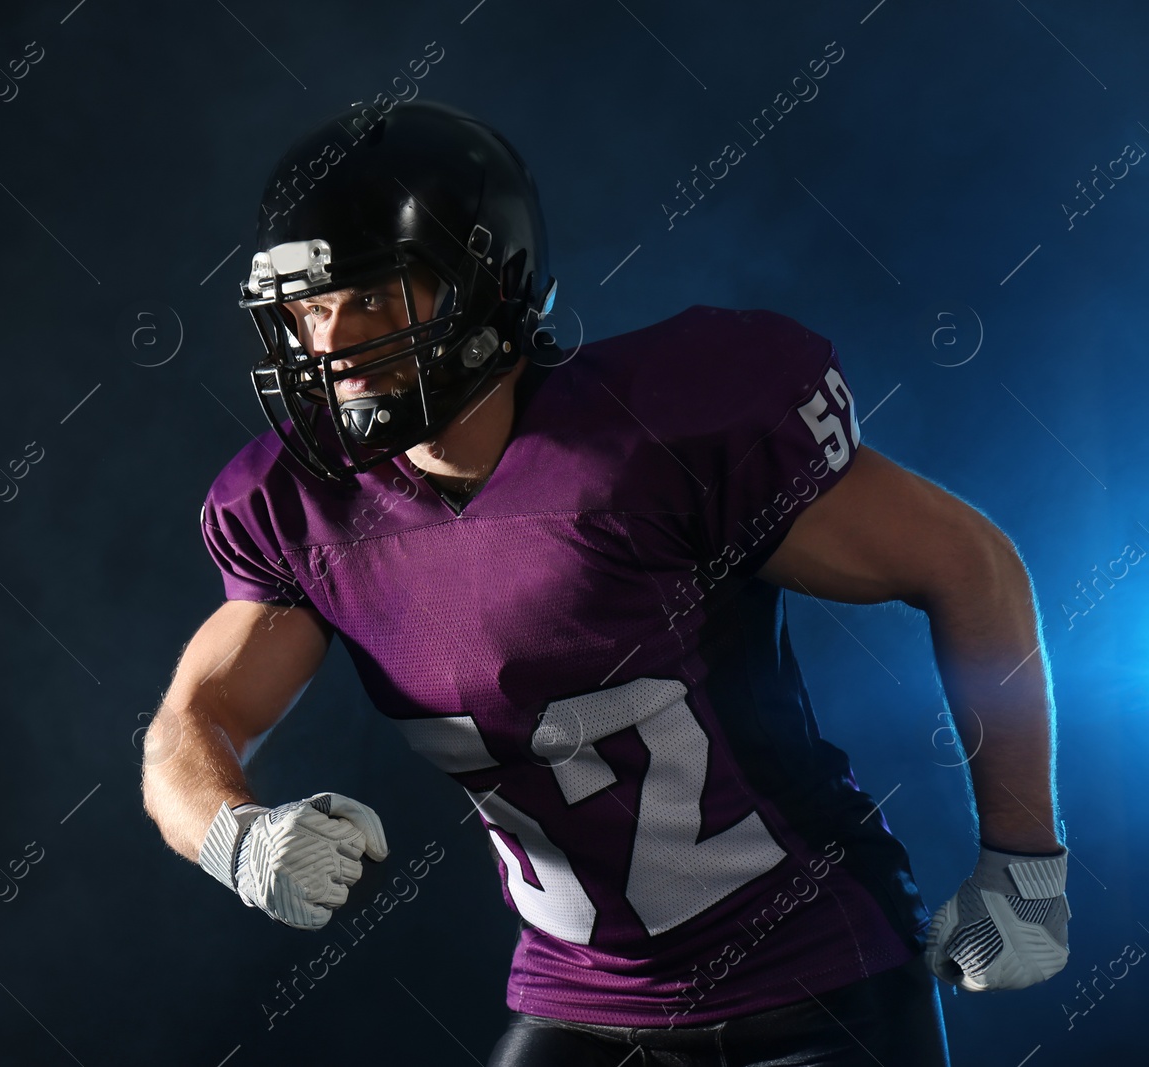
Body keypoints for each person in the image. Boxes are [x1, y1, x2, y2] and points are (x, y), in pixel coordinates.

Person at [140, 101, 1069, 1066]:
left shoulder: (657, 432)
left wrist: (1025, 859)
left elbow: (969, 565)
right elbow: (189, 723)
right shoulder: (305, 508)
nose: (331, 344)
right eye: (307, 309)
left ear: (483, 283)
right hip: (583, 999)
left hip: (815, 980)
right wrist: (234, 835)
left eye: (372, 296)